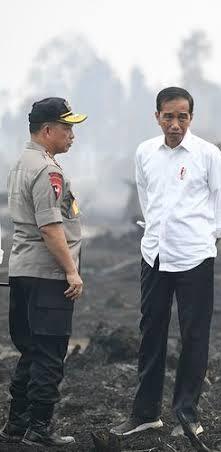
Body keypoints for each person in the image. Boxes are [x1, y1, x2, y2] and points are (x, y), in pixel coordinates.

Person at [111, 87, 221, 438]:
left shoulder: (207, 154)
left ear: (191, 118)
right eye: (169, 116)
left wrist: (205, 239)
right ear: (157, 117)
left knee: (194, 336)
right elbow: (146, 196)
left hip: (195, 257)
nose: (175, 123)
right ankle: (145, 413)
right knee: (151, 333)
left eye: (182, 117)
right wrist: (156, 234)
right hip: (154, 255)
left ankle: (187, 414)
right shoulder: (145, 153)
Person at [2, 97, 86, 447]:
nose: (72, 135)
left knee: (32, 352)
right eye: (67, 128)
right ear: (47, 130)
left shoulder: (22, 162)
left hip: (23, 272)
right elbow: (51, 227)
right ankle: (40, 428)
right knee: (50, 354)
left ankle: (15, 426)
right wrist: (71, 272)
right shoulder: (47, 170)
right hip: (47, 276)